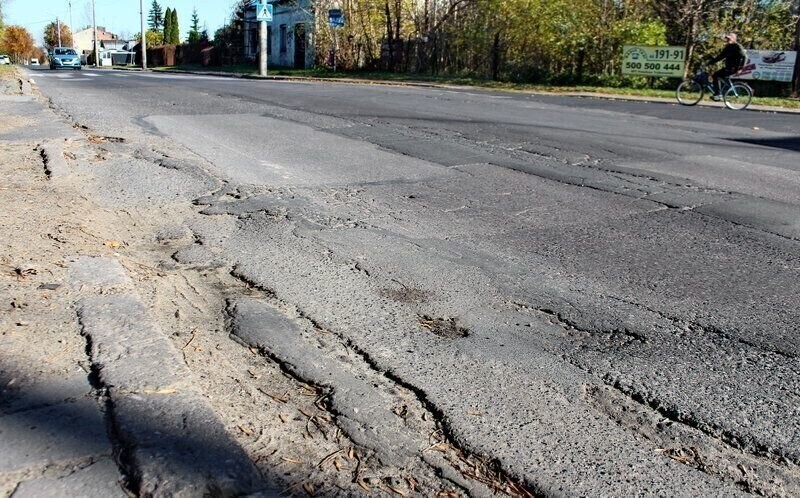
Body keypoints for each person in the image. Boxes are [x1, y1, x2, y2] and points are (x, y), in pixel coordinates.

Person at [707, 33, 748, 101]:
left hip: (733, 68)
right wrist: (710, 62)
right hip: (728, 67)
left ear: (734, 39)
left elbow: (745, 57)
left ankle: (718, 94)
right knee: (719, 76)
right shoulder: (728, 47)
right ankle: (721, 92)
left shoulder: (737, 46)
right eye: (727, 38)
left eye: (729, 38)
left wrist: (740, 68)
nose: (728, 40)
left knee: (715, 75)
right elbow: (721, 56)